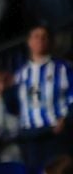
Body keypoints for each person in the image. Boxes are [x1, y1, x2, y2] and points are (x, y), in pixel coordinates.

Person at [16, 26, 73, 161]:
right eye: (36, 36)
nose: (40, 40)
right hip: (30, 135)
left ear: (50, 41)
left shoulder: (64, 68)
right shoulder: (21, 74)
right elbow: (15, 104)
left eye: (44, 37)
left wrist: (66, 120)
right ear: (29, 42)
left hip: (55, 133)